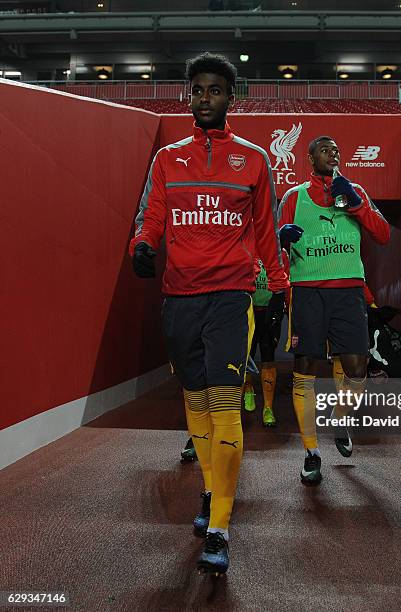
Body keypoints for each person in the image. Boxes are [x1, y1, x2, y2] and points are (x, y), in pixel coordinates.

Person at [130, 52, 288, 574]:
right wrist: (142, 244)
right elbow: (152, 214)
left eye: (215, 90)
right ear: (188, 96)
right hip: (179, 296)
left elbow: (265, 229)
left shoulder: (254, 159)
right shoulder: (167, 160)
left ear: (230, 98)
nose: (205, 98)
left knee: (223, 398)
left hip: (230, 295)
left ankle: (219, 524)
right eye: (198, 90)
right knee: (194, 398)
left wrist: (281, 282)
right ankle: (211, 487)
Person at [278, 135, 390, 486]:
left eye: (337, 150)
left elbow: (383, 234)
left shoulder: (354, 190)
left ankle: (341, 418)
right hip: (308, 290)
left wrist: (355, 204)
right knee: (306, 368)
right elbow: (273, 246)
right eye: (325, 149)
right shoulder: (293, 197)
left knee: (357, 369)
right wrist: (280, 236)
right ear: (310, 157)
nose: (334, 153)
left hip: (348, 291)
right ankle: (311, 452)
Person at [243, 252, 289, 426]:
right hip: (249, 309)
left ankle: (268, 408)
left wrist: (284, 309)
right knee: (246, 355)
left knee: (268, 357)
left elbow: (286, 281)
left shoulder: (279, 252)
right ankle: (248, 389)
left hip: (270, 311)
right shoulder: (246, 245)